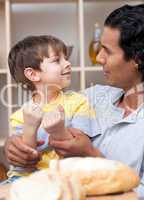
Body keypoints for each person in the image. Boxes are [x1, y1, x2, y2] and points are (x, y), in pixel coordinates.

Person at [4, 4, 144, 197]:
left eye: (107, 51)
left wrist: (90, 154)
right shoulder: (92, 96)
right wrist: (16, 143)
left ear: (137, 58)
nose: (99, 58)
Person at [4, 35, 96, 182]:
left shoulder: (78, 102)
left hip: (66, 177)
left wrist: (58, 130)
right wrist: (29, 128)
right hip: (26, 179)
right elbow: (24, 165)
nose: (67, 63)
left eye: (66, 58)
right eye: (57, 60)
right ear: (32, 74)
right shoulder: (20, 116)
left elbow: (80, 151)